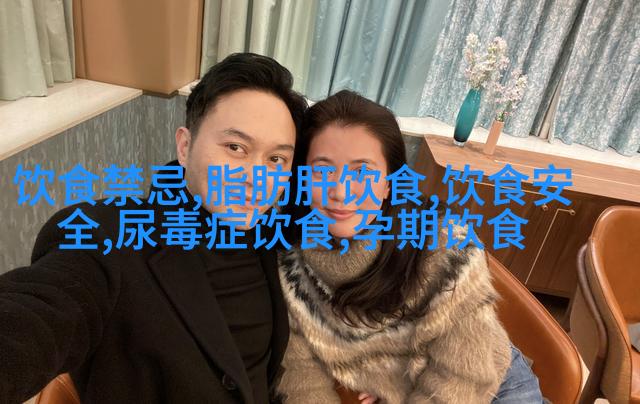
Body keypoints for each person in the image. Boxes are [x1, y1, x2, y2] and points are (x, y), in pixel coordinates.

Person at [0, 53, 306, 403]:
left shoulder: (270, 236)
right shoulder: (109, 237)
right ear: (185, 147)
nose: (256, 178)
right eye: (236, 147)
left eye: (276, 159)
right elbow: (38, 313)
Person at [275, 90, 544, 403]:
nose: (340, 191)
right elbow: (300, 377)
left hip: (492, 385)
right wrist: (392, 381)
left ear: (388, 184)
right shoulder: (290, 265)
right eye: (322, 170)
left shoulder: (442, 242)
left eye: (362, 172)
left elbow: (463, 376)